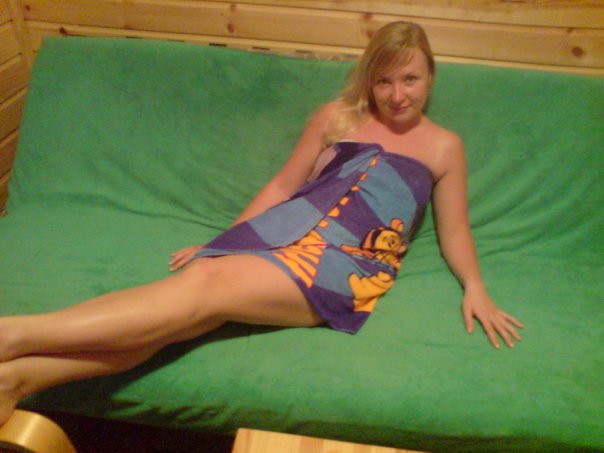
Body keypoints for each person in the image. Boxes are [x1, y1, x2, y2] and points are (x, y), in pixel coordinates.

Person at [0, 21, 524, 426]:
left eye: (410, 79)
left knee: (202, 287)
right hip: (283, 232)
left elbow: (455, 230)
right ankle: (18, 379)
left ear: (430, 77)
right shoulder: (336, 117)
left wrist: (475, 287)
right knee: (187, 317)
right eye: (384, 81)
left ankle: (13, 334)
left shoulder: (444, 146)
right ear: (370, 80)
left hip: (345, 264)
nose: (397, 94)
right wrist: (225, 239)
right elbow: (281, 186)